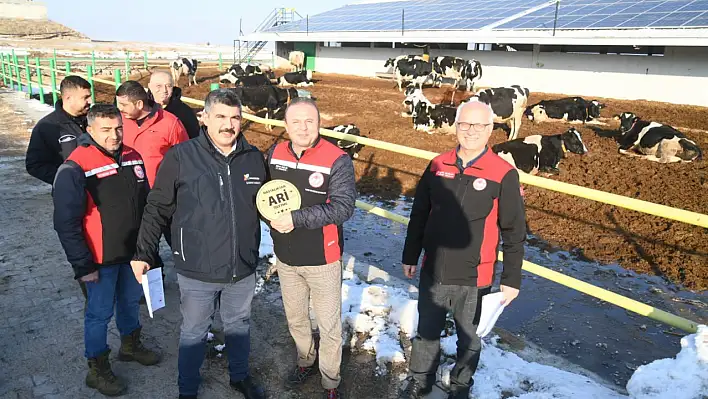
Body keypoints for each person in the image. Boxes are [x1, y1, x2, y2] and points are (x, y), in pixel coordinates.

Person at [130, 89, 267, 399]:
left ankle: (239, 376)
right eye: (220, 116)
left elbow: (267, 205)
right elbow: (157, 207)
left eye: (235, 117)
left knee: (239, 324)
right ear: (204, 118)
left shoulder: (254, 158)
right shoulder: (181, 157)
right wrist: (144, 252)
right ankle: (187, 388)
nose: (228, 124)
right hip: (197, 267)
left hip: (241, 266)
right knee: (193, 331)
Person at [399, 100, 527, 399]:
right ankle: (421, 380)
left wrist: (511, 280)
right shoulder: (437, 164)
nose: (472, 131)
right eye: (465, 124)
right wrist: (410, 255)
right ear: (456, 126)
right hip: (434, 269)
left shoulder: (503, 173)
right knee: (427, 331)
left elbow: (514, 231)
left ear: (491, 129)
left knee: (469, 339)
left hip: (475, 276)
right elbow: (419, 213)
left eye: (480, 125)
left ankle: (460, 387)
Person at [52, 104, 160, 397]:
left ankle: (130, 345)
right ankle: (97, 368)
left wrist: (148, 249)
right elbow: (65, 223)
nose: (114, 135)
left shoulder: (132, 156)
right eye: (106, 130)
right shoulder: (75, 167)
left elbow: (147, 203)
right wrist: (82, 266)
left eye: (118, 128)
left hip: (133, 254)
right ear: (89, 131)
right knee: (98, 314)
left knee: (128, 302)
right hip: (99, 260)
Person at [266, 97, 357, 399]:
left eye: (310, 121)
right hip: (286, 257)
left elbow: (343, 208)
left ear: (319, 123)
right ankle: (306, 359)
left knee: (329, 325)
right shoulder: (274, 153)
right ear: (286, 125)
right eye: (296, 121)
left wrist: (296, 218)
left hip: (322, 259)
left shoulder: (337, 158)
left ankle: (330, 381)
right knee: (296, 318)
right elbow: (262, 196)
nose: (303, 127)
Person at [26, 75, 92, 299]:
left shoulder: (92, 120)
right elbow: (34, 164)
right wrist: (65, 180)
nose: (89, 100)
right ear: (67, 97)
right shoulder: (48, 127)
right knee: (77, 239)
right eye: (84, 97)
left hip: (100, 194)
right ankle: (90, 292)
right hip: (72, 198)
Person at [147, 70, 201, 139]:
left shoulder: (185, 113)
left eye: (168, 86)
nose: (164, 90)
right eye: (159, 86)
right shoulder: (141, 109)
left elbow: (194, 140)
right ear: (150, 86)